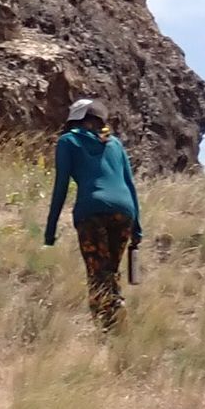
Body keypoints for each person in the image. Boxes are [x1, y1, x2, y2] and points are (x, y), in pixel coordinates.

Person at [44, 98, 141, 328]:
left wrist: (50, 231)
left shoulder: (68, 141)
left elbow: (61, 186)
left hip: (92, 211)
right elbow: (130, 185)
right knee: (110, 270)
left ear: (74, 120)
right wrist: (137, 228)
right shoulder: (115, 144)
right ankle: (115, 320)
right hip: (124, 211)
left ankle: (108, 319)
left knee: (97, 273)